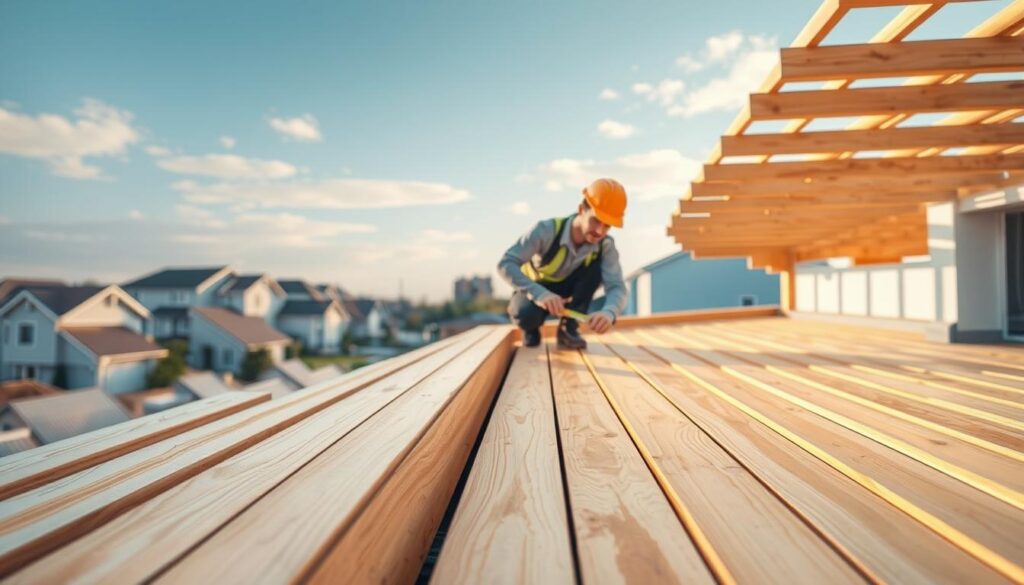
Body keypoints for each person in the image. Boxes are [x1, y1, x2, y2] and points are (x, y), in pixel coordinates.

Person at [497, 178, 628, 349]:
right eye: (595, 220)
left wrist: (609, 312)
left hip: (570, 292)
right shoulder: (545, 231)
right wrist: (540, 294)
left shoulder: (606, 246)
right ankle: (531, 329)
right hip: (536, 290)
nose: (599, 231)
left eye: (607, 225)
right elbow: (506, 264)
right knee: (524, 315)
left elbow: (617, 286)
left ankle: (569, 329)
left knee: (596, 269)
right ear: (581, 209)